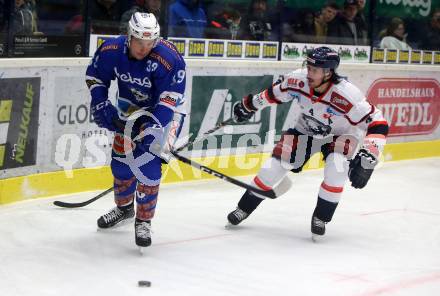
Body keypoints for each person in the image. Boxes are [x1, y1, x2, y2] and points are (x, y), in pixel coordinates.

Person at [226, 47, 389, 240]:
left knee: (336, 171)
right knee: (272, 168)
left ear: (328, 72)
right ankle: (243, 208)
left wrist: (369, 156)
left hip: (340, 136)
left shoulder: (347, 95)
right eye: (308, 67)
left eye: (315, 70)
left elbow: (378, 123)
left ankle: (321, 217)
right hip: (305, 131)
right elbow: (274, 93)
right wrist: (249, 105)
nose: (309, 73)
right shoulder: (298, 79)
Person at [85, 12, 187, 249]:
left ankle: (143, 220)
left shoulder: (169, 59)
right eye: (139, 42)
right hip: (129, 110)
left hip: (165, 114)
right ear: (129, 36)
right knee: (120, 165)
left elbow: (168, 103)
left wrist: (152, 129)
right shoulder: (111, 49)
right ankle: (124, 210)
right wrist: (99, 101)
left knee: (148, 168)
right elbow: (94, 76)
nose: (144, 48)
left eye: (149, 43)